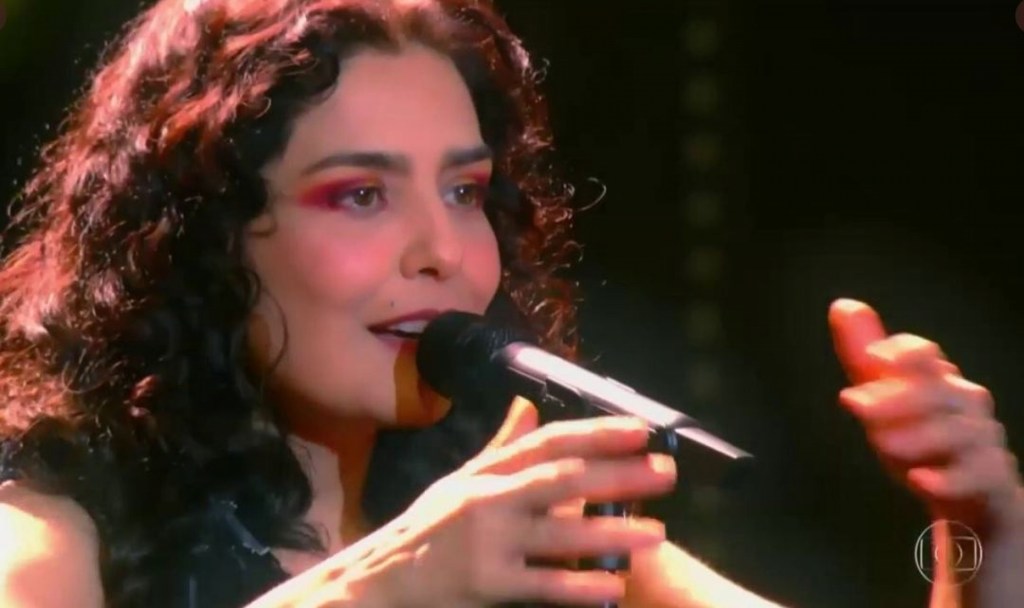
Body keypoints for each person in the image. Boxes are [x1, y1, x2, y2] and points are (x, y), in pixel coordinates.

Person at [0, 0, 1019, 606]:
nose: (442, 252)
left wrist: (981, 536)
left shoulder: (499, 494)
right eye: (360, 195)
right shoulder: (51, 506)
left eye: (464, 192)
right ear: (204, 231)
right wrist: (383, 588)